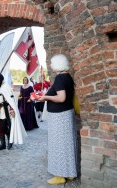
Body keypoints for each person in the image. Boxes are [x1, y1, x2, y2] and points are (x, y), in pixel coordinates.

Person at [37, 54, 77, 185]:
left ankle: (60, 175)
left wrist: (45, 98)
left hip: (59, 116)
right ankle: (70, 173)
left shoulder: (60, 78)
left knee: (58, 145)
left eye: (52, 63)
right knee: (67, 144)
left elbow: (61, 98)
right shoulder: (68, 76)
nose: (51, 65)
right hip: (66, 114)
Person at [0, 72, 27, 151]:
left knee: (6, 127)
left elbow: (11, 100)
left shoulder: (5, 87)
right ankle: (2, 144)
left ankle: (10, 141)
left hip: (5, 110)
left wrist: (12, 110)